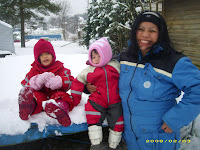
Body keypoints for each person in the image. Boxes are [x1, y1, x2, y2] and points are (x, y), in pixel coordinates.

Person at [87, 11, 200, 150]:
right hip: (130, 138)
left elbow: (197, 89)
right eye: (140, 29)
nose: (145, 35)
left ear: (161, 34)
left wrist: (176, 118)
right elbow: (103, 74)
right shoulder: (125, 58)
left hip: (160, 139)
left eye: (152, 30)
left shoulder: (173, 62)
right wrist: (89, 86)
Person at [71, 37, 124, 149]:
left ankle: (114, 145)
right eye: (93, 57)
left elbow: (128, 77)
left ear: (107, 54)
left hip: (115, 101)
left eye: (99, 56)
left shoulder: (116, 66)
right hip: (97, 102)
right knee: (93, 117)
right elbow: (77, 81)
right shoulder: (90, 70)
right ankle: (96, 144)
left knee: (118, 121)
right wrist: (76, 98)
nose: (96, 59)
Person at [18, 39, 74, 127]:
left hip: (56, 95)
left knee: (63, 97)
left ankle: (60, 110)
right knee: (35, 96)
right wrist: (36, 81)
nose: (45, 57)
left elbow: (70, 80)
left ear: (53, 55)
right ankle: (27, 108)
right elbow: (25, 84)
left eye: (48, 53)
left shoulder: (60, 67)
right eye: (41, 55)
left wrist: (60, 81)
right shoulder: (34, 70)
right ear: (37, 58)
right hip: (41, 96)